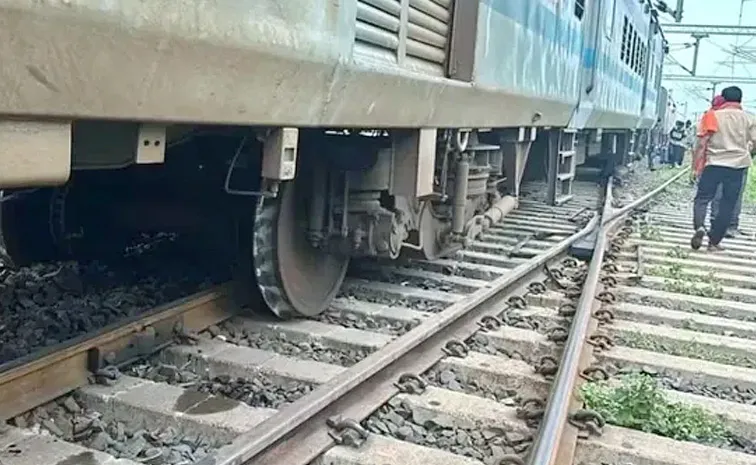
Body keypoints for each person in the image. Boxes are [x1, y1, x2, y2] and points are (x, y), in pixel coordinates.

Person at [691, 86, 756, 252]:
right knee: (728, 204)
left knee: (703, 198)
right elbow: (754, 142)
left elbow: (702, 144)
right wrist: (748, 153)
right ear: (740, 100)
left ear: (724, 99)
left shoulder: (712, 115)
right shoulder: (749, 118)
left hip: (714, 163)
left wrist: (695, 166)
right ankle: (714, 241)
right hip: (737, 166)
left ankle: (699, 226)